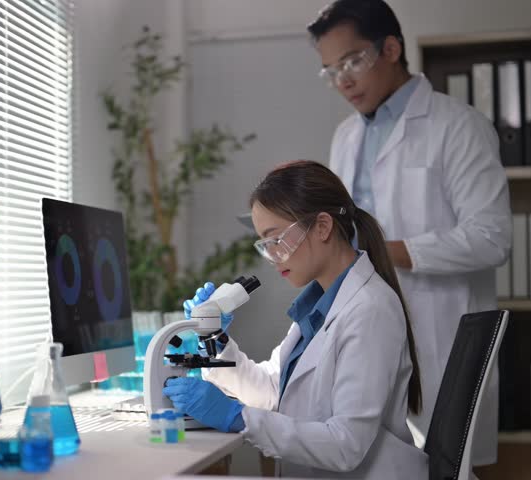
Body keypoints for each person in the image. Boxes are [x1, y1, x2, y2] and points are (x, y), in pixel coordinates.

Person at [307, 0, 512, 467]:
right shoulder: (346, 137)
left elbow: (492, 237)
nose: (343, 80)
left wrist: (386, 251)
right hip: (368, 332)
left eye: (353, 61)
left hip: (437, 336)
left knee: (439, 465)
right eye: (330, 70)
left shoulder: (457, 126)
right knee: (370, 461)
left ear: (392, 48)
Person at [163, 160, 427, 479]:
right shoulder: (322, 304)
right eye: (265, 244)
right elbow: (272, 390)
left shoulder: (370, 310)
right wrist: (212, 339)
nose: (273, 256)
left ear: (323, 227)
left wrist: (238, 418)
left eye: (277, 239)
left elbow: (346, 445)